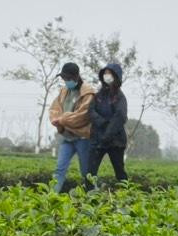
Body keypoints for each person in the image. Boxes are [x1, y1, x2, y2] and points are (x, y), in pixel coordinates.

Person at [49, 62, 95, 191]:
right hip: (67, 137)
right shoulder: (64, 91)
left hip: (83, 139)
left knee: (87, 172)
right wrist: (55, 119)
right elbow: (55, 108)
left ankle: (94, 198)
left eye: (67, 78)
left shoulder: (87, 93)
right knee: (59, 169)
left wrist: (62, 119)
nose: (65, 81)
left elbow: (82, 116)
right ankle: (50, 199)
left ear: (75, 77)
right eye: (64, 78)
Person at [86, 62, 128, 184]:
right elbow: (91, 111)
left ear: (116, 76)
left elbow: (120, 117)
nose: (107, 75)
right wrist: (102, 122)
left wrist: (107, 134)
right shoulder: (98, 95)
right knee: (90, 173)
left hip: (115, 141)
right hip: (97, 140)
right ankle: (90, 197)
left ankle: (126, 194)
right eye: (105, 73)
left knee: (120, 173)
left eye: (109, 73)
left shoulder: (120, 97)